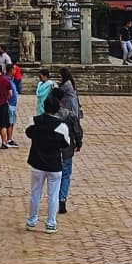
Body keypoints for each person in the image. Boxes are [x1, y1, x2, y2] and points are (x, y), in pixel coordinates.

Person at [25, 95, 70, 234]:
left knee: (35, 193)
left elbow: (29, 133)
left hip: (37, 162)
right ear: (57, 109)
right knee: (53, 195)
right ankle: (51, 223)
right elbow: (65, 143)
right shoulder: (61, 126)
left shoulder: (34, 121)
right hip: (54, 163)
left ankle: (32, 220)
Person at [51, 87, 83, 215]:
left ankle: (54, 200)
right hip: (67, 149)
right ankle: (62, 198)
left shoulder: (49, 115)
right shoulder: (70, 114)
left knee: (53, 177)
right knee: (65, 176)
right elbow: (77, 131)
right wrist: (79, 143)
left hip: (52, 150)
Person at [5, 64, 20, 147]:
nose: (15, 71)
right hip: (9, 103)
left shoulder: (11, 80)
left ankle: (9, 138)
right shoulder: (7, 80)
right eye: (14, 69)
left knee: (11, 122)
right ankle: (9, 139)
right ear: (11, 70)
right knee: (9, 122)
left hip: (12, 104)